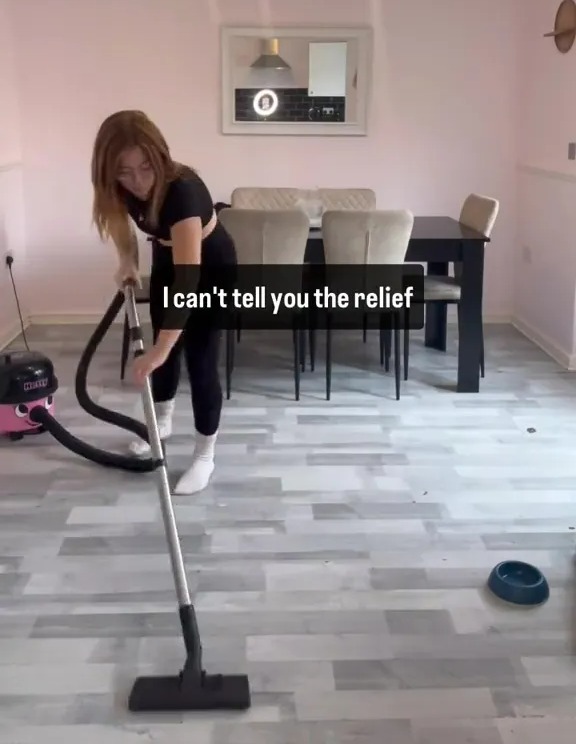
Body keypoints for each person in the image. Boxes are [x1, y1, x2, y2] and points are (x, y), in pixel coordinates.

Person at [90, 110, 237, 494]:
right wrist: (128, 262)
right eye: (124, 172)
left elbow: (189, 279)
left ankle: (205, 455)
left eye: (145, 168)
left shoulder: (183, 192)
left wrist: (159, 350)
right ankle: (164, 420)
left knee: (199, 359)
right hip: (169, 258)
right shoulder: (120, 186)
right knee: (165, 350)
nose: (137, 182)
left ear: (159, 156)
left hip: (211, 267)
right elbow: (122, 224)